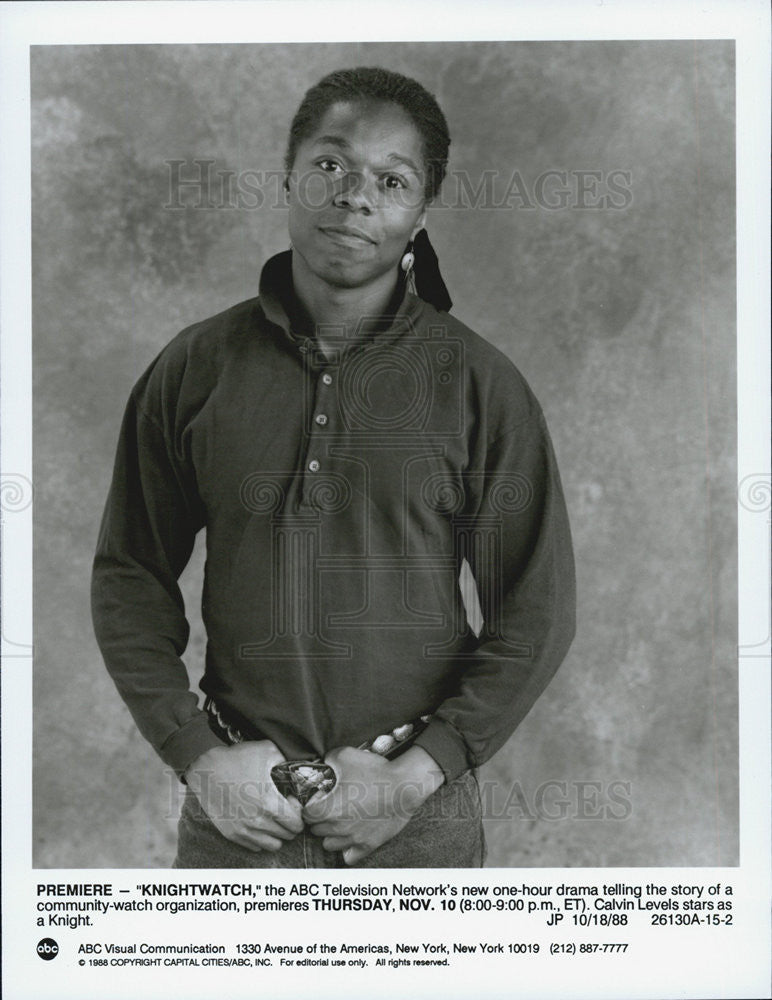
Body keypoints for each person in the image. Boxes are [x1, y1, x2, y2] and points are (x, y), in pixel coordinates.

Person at [91, 66, 576, 869]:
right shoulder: (195, 368)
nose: (355, 195)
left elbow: (537, 610)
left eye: (392, 180)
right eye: (330, 165)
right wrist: (197, 754)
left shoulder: (479, 385)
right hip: (236, 816)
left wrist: (418, 775)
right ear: (288, 175)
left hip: (414, 820)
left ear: (421, 213)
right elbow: (129, 575)